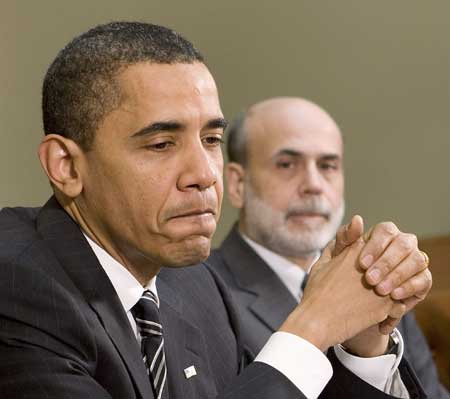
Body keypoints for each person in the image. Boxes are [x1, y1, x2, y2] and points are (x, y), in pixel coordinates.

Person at [0, 22, 431, 399]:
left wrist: (358, 345)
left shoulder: (193, 285)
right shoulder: (14, 284)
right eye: (161, 144)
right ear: (67, 166)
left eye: (210, 140)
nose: (205, 175)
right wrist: (313, 326)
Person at [208, 96, 448, 398]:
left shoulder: (380, 282)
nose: (313, 183)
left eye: (328, 165)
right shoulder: (197, 291)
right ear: (238, 184)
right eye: (286, 164)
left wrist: (369, 353)